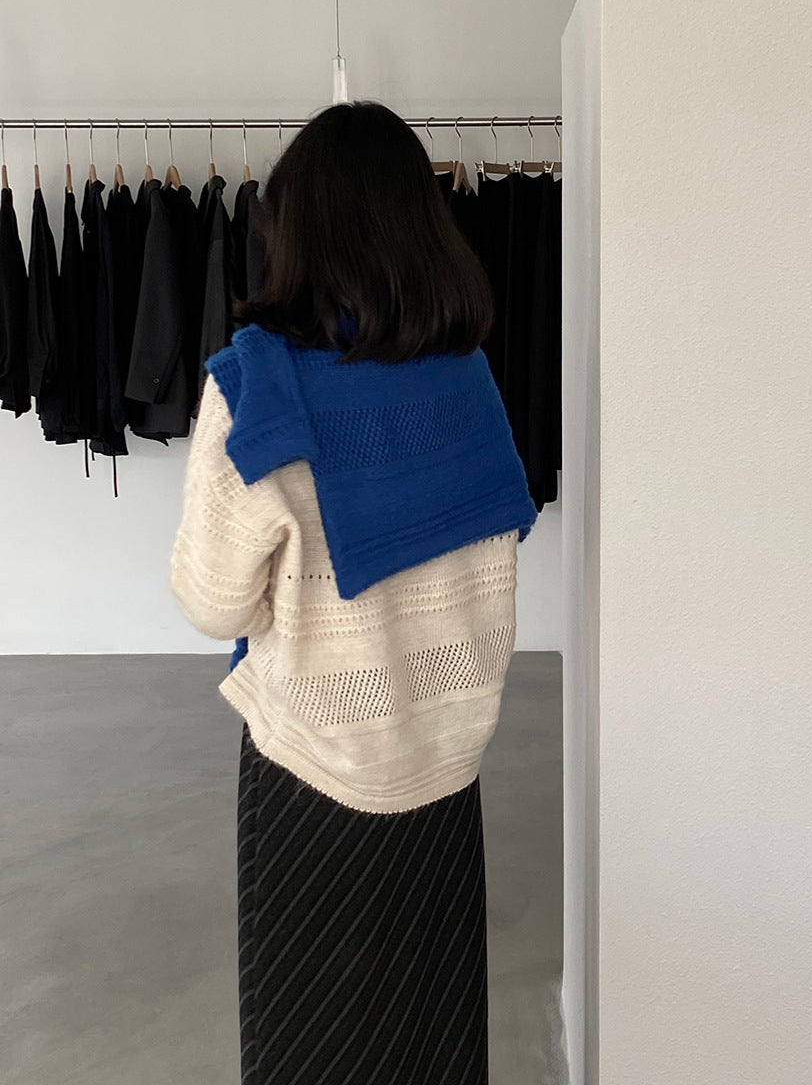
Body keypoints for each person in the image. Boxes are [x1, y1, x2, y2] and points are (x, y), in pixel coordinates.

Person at [169, 101, 537, 1085]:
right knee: (432, 1034)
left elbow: (212, 602)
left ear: (293, 230)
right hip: (445, 766)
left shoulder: (257, 388)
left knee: (315, 1046)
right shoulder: (467, 378)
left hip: (315, 778)